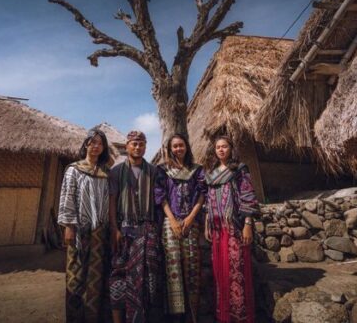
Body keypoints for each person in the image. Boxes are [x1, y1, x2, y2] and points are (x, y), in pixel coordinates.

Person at [58, 129, 112, 323]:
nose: (96, 146)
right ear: (86, 145)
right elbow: (67, 197)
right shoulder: (74, 169)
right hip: (79, 229)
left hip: (100, 232)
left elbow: (110, 202)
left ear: (104, 147)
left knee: (96, 279)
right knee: (76, 276)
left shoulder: (106, 173)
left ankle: (92, 318)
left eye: (100, 143)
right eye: (92, 142)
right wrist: (69, 226)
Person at [204, 136, 259, 323]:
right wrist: (207, 224)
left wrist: (248, 224)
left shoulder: (239, 170)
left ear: (231, 149)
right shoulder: (211, 174)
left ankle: (241, 317)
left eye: (224, 146)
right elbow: (208, 202)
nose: (220, 150)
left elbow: (248, 196)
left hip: (234, 227)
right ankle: (224, 316)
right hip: (217, 230)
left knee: (237, 272)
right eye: (218, 147)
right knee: (221, 274)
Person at [109, 130, 161, 323]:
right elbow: (112, 201)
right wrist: (114, 229)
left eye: (141, 144)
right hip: (124, 230)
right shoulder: (116, 172)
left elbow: (159, 202)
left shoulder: (154, 171)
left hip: (147, 231)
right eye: (134, 144)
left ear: (146, 147)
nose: (138, 147)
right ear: (127, 146)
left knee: (148, 278)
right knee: (118, 275)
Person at [154, 134, 206, 323]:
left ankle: (192, 315)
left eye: (181, 145)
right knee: (172, 265)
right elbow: (160, 197)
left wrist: (191, 218)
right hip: (170, 222)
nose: (178, 149)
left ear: (186, 147)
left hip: (191, 222)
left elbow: (202, 194)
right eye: (174, 146)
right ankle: (175, 316)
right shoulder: (163, 170)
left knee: (192, 264)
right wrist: (173, 221)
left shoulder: (197, 170)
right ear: (170, 149)